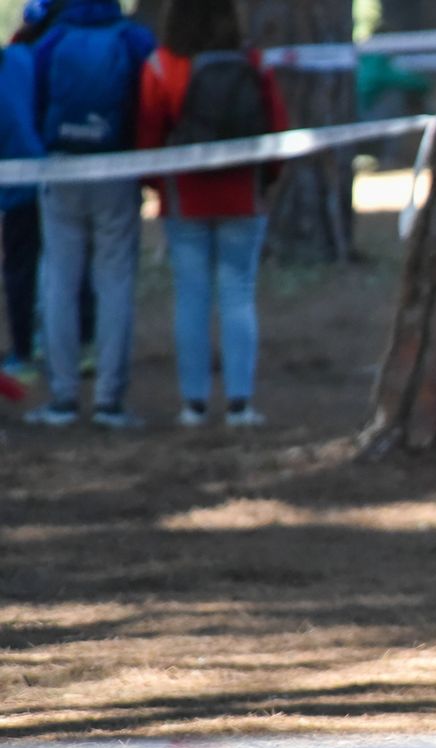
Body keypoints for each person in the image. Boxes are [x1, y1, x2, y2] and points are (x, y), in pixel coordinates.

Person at [135, 0, 287, 428]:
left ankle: (193, 404)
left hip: (185, 198)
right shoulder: (255, 62)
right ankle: (241, 403)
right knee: (239, 294)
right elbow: (277, 129)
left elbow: (148, 137)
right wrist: (264, 180)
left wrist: (159, 186)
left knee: (191, 299)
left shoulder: (162, 66)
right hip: (243, 195)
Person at [22, 0, 154, 428]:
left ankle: (62, 398)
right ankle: (109, 401)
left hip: (61, 169)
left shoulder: (52, 39)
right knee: (114, 281)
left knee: (59, 280)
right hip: (117, 170)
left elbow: (36, 99)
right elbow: (148, 100)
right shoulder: (133, 39)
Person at [1, 0, 97, 385]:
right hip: (64, 173)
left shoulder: (13, 61)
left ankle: (24, 352)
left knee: (22, 267)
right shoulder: (67, 56)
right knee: (73, 263)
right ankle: (84, 346)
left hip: (19, 180)